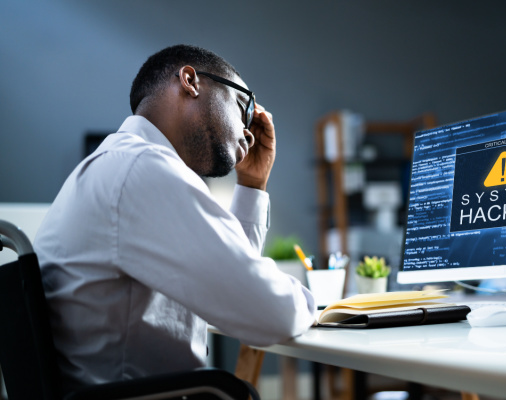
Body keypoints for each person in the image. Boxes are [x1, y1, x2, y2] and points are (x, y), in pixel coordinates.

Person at [34, 44, 316, 392]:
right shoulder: (143, 170)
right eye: (243, 106)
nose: (247, 132)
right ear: (190, 81)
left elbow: (236, 286)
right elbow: (274, 314)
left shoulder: (119, 164)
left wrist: (252, 185)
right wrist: (319, 307)